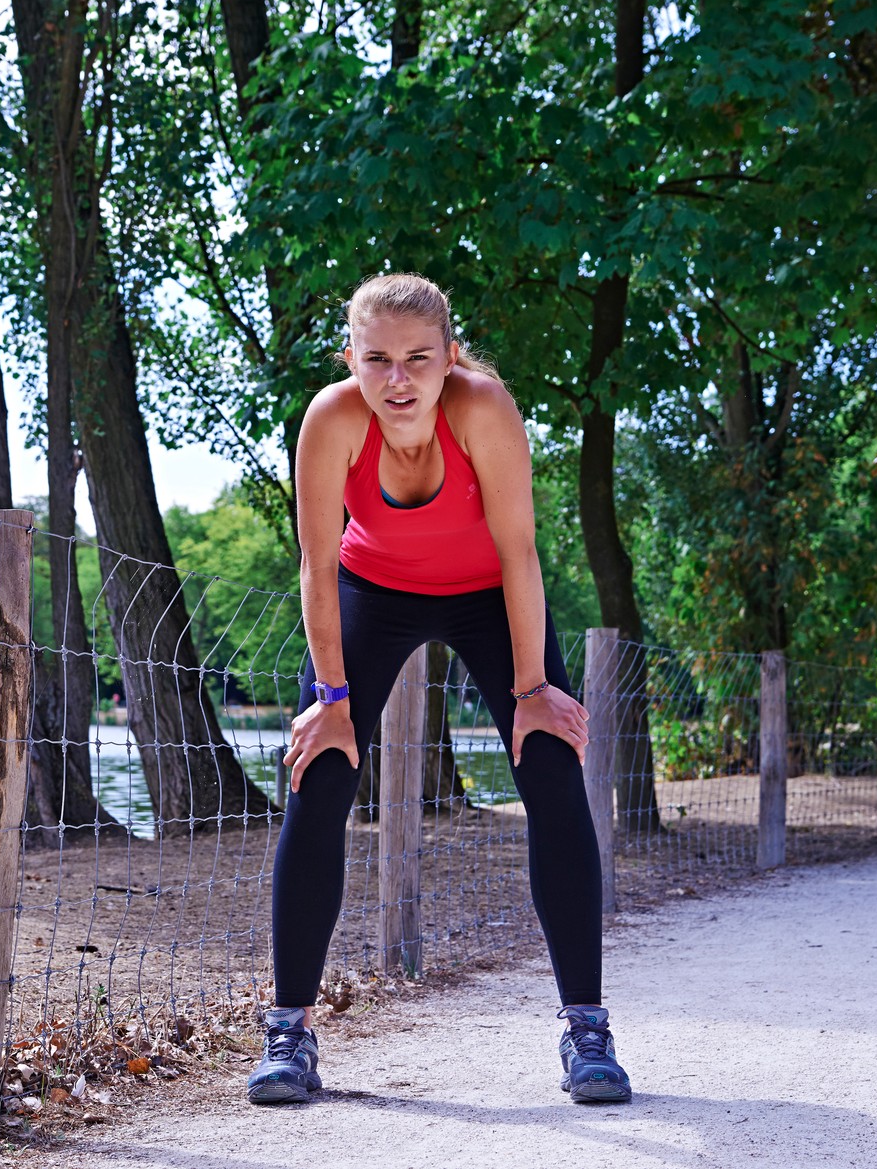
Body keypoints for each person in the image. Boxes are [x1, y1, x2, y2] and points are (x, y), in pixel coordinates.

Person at [247, 273, 631, 1105]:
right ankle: (289, 1034)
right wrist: (335, 700)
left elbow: (521, 552)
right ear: (350, 358)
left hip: (489, 593)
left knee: (554, 772)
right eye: (376, 358)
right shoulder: (331, 419)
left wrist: (532, 689)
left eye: (418, 358)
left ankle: (588, 1031)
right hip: (370, 592)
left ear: (449, 359)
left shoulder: (484, 408)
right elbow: (316, 563)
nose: (397, 379)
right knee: (320, 775)